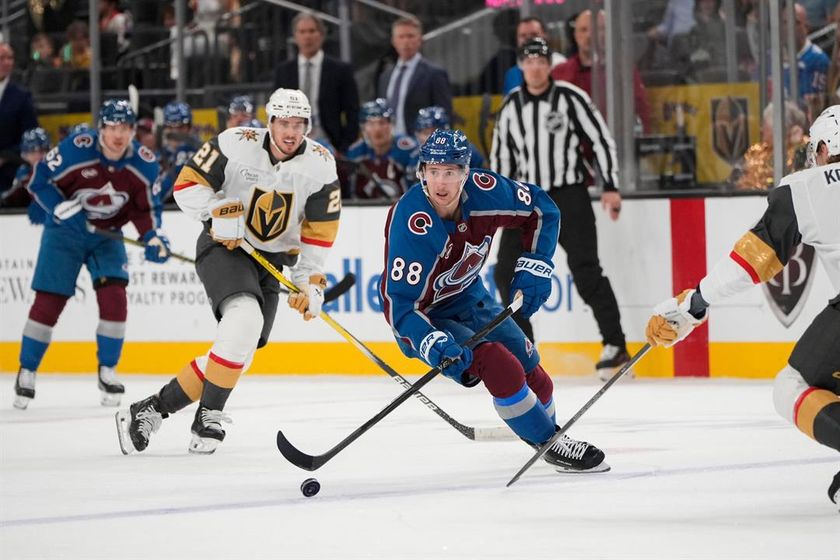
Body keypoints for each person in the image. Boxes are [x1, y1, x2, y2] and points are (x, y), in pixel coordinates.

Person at [116, 88, 341, 455]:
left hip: (271, 261)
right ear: (269, 122)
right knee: (244, 320)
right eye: (283, 123)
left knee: (238, 347)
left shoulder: (321, 165)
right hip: (225, 246)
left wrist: (309, 282)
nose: (290, 132)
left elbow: (318, 234)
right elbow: (186, 185)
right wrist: (217, 211)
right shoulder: (236, 143)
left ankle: (150, 409)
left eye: (299, 124)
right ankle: (209, 415)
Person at [645, 105, 840, 509]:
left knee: (795, 388)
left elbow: (751, 261)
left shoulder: (809, 187)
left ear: (823, 148)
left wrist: (694, 304)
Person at [380, 128, 608, 473]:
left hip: (468, 296)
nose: (441, 183)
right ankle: (550, 443)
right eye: (433, 172)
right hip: (424, 316)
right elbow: (399, 305)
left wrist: (536, 264)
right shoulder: (413, 223)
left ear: (465, 172)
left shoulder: (486, 193)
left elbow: (541, 209)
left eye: (451, 172)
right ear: (421, 172)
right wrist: (432, 342)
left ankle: (548, 439)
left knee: (532, 366)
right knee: (497, 363)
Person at [14, 99, 170, 410]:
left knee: (115, 298)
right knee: (50, 301)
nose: (118, 135)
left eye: (125, 128)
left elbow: (146, 210)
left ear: (132, 131)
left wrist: (152, 236)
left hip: (106, 237)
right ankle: (27, 370)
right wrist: (58, 207)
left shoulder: (145, 163)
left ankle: (107, 370)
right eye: (112, 127)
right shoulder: (75, 148)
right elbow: (40, 180)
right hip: (64, 234)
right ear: (100, 129)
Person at [491, 38, 630, 381]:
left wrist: (610, 185)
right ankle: (523, 349)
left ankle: (616, 346)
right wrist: (497, 205)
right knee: (505, 273)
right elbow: (502, 158)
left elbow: (600, 139)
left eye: (541, 61)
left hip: (569, 196)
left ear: (548, 64)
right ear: (521, 66)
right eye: (529, 61)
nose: (535, 68)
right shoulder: (510, 106)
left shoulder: (570, 97)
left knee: (586, 270)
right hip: (525, 201)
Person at [273, 11, 360, 153]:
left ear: (321, 34)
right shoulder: (283, 71)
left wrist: (343, 148)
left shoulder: (341, 70)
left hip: (330, 144)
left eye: (312, 31)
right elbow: (276, 112)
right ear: (295, 36)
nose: (307, 36)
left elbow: (353, 112)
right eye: (302, 31)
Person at [553, 10, 650, 132]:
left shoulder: (622, 70)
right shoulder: (559, 72)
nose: (589, 35)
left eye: (596, 29)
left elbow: (640, 109)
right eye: (583, 30)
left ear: (607, 33)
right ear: (575, 35)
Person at [376, 15, 453, 136]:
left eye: (410, 36)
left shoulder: (434, 74)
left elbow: (444, 115)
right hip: (391, 146)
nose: (406, 41)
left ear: (420, 40)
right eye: (401, 37)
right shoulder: (385, 76)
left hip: (421, 146)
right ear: (394, 41)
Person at [342, 98, 419, 200]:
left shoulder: (409, 150)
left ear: (391, 124)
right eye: (371, 123)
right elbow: (350, 194)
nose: (377, 129)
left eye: (382, 122)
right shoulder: (356, 152)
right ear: (363, 127)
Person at [0, 42, 39, 193]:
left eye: (10, 58)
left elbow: (30, 136)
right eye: (2, 58)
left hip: (8, 173)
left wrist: (5, 156)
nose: (7, 62)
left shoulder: (21, 97)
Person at [783, 3, 830, 111]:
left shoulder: (818, 59)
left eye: (796, 22)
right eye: (785, 22)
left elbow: (815, 104)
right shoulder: (772, 56)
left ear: (806, 27)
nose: (789, 27)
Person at [502, 16, 566, 96]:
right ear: (517, 39)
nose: (528, 38)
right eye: (523, 35)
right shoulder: (512, 74)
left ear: (545, 35)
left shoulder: (562, 65)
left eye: (534, 34)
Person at [157, 101, 200, 215]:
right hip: (166, 215)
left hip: (194, 215)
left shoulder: (200, 152)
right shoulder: (159, 154)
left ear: (189, 128)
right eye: (171, 127)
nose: (175, 132)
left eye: (180, 127)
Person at [414, 105, 485, 168]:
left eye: (435, 132)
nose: (430, 137)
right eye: (425, 133)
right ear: (417, 134)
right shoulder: (414, 156)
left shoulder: (467, 151)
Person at [0, 128, 50, 214]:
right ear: (24, 154)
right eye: (32, 151)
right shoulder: (24, 171)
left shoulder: (55, 168)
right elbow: (12, 197)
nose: (38, 156)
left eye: (43, 150)